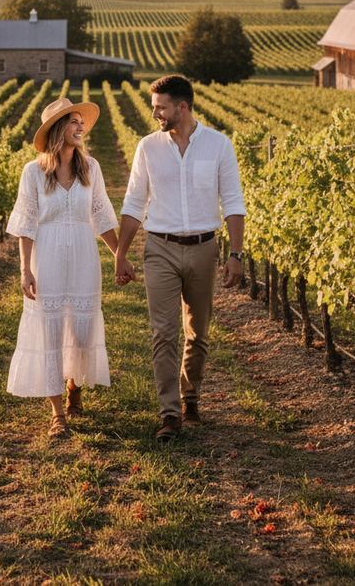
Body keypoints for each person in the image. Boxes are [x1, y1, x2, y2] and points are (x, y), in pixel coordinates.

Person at [115, 74, 245, 441]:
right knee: (164, 332)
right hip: (160, 248)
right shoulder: (148, 148)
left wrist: (235, 254)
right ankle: (169, 413)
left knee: (198, 333)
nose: (155, 113)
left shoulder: (219, 146)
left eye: (160, 107)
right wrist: (121, 253)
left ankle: (191, 397)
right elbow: (134, 203)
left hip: (204, 248)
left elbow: (233, 202)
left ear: (182, 107)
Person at [6, 96, 119, 439]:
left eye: (81, 122)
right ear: (57, 129)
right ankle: (58, 414)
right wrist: (26, 270)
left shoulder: (92, 168)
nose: (80, 126)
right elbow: (25, 225)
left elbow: (100, 215)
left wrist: (119, 255)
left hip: (84, 257)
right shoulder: (34, 173)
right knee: (51, 332)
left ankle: (74, 385)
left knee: (82, 333)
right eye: (73, 121)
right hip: (49, 258)